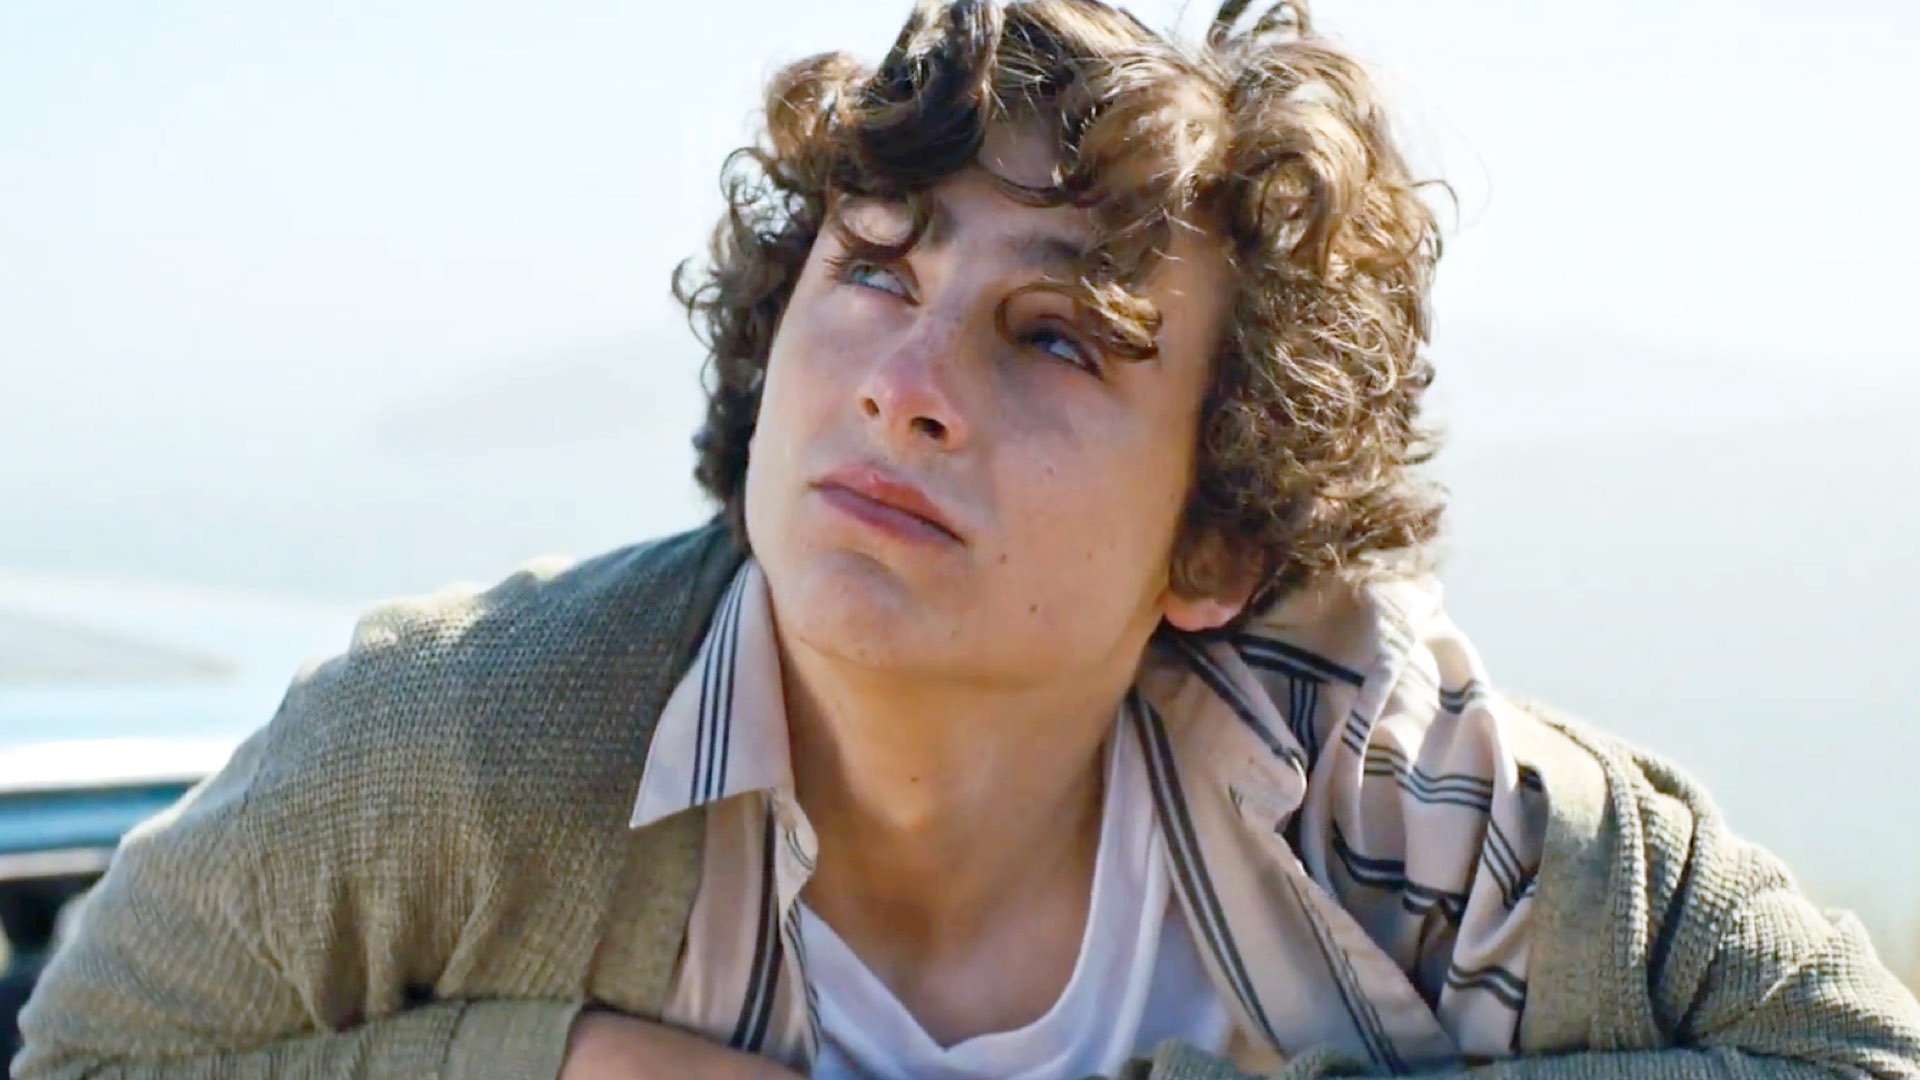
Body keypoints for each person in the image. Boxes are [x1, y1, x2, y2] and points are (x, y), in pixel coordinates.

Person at [15, 1, 1920, 1077]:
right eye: (873, 269)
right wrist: (545, 1067)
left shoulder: (1395, 805)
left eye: (1056, 339)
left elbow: (1849, 1057)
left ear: (1214, 543)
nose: (906, 386)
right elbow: (84, 1062)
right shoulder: (455, 749)